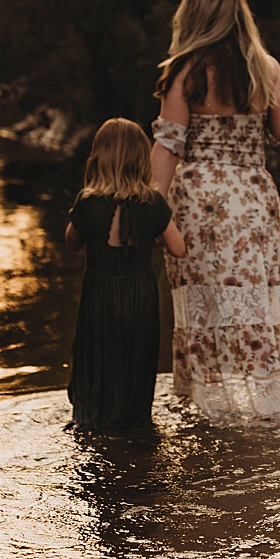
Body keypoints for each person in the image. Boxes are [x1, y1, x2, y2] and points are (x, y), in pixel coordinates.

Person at [151, 0, 280, 422]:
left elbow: (169, 144)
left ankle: (212, 407)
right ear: (239, 15)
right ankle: (272, 404)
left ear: (191, 16)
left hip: (198, 203)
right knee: (262, 300)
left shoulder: (183, 71)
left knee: (208, 306)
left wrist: (155, 207)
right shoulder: (265, 68)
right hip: (252, 201)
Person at [65, 118, 186, 432]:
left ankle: (92, 423)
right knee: (135, 363)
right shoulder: (153, 202)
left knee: (98, 362)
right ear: (141, 158)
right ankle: (134, 428)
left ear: (98, 157)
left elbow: (72, 243)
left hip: (99, 297)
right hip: (140, 298)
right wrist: (152, 236)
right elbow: (179, 249)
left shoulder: (88, 202)